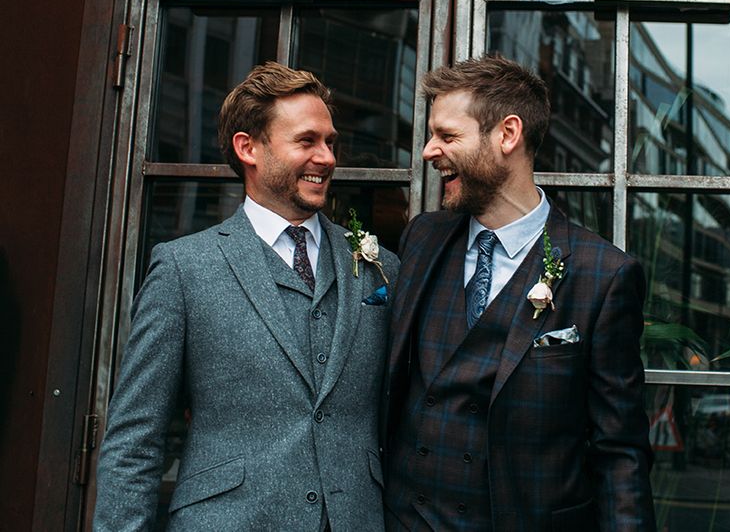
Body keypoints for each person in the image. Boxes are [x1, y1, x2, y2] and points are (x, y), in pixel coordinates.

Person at [94, 62, 398, 531]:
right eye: (306, 141)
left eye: (330, 142)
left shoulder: (381, 266)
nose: (327, 158)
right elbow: (135, 438)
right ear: (248, 147)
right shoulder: (184, 268)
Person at [384, 55, 655, 531]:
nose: (429, 151)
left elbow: (620, 453)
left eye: (447, 136)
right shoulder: (421, 238)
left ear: (507, 134)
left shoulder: (603, 275)